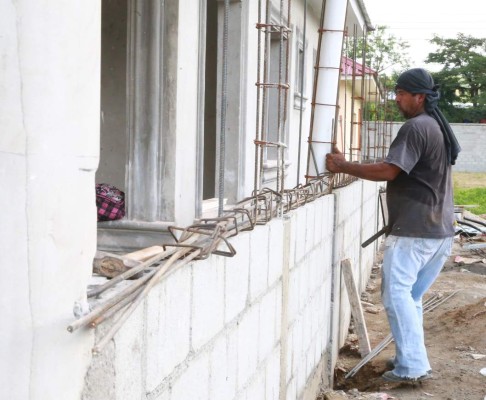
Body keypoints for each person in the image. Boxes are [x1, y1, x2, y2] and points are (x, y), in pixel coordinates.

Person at [325, 68, 460, 383]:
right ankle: (408, 359)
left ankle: (411, 368)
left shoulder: (416, 127)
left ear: (419, 96)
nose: (397, 98)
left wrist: (344, 165)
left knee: (396, 294)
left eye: (401, 93)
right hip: (439, 231)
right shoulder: (435, 126)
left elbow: (390, 171)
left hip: (415, 230)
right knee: (409, 297)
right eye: (396, 92)